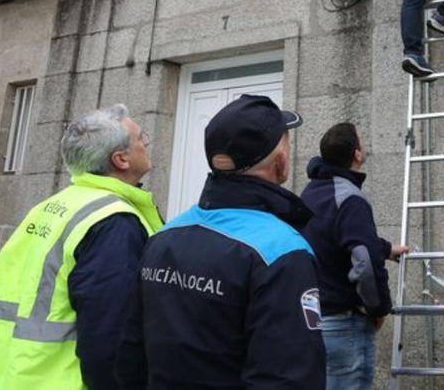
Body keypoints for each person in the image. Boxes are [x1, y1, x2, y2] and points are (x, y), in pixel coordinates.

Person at [114, 94, 325, 388]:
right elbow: (289, 378)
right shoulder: (283, 251)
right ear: (280, 160)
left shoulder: (163, 236)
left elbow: (129, 354)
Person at [0, 104, 164, 390]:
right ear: (120, 159)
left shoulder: (50, 207)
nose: (146, 143)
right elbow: (110, 340)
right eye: (140, 138)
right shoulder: (114, 223)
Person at [300, 123, 409, 389]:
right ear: (356, 154)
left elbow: (331, 239)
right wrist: (378, 308)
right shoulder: (351, 198)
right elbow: (364, 262)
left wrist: (384, 248)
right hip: (345, 326)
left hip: (315, 322)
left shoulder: (311, 193)